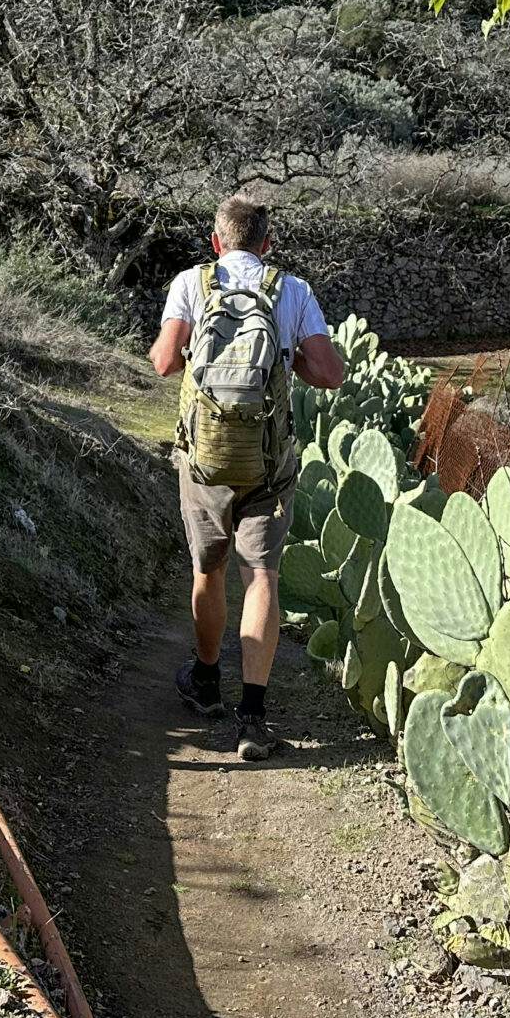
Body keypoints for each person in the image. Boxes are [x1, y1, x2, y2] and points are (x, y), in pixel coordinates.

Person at [149, 195, 345, 760]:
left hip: (205, 460)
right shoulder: (293, 291)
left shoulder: (191, 283)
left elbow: (163, 363)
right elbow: (329, 373)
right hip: (267, 461)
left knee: (208, 570)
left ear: (217, 242)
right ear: (267, 244)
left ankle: (207, 681)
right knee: (262, 577)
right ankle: (253, 718)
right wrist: (291, 362)